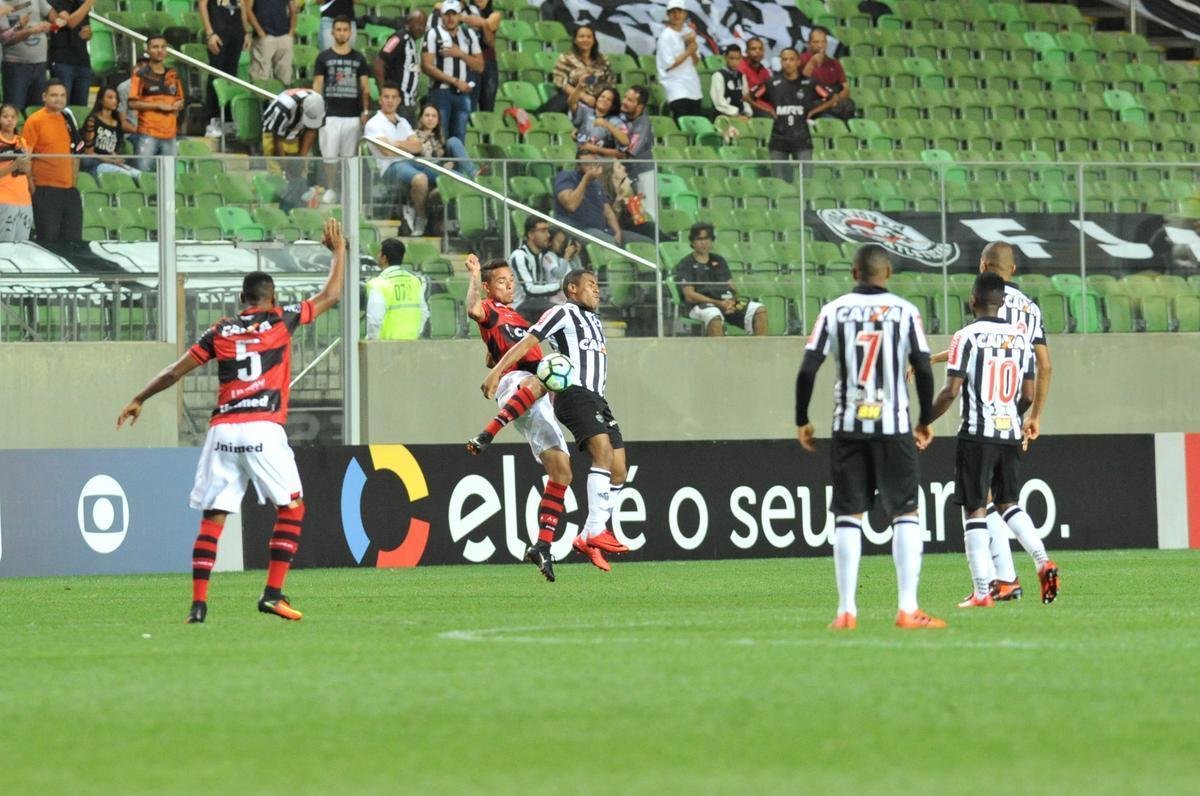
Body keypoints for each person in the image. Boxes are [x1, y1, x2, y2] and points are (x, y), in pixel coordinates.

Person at [116, 218, 346, 624]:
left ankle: (198, 605)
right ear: (272, 298)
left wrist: (139, 398)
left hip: (223, 431)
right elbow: (331, 294)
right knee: (291, 509)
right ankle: (273, 593)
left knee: (213, 517)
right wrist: (339, 251)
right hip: (262, 427)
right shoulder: (281, 318)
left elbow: (174, 372)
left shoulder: (219, 329)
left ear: (242, 298)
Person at [795, 243, 944, 630]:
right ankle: (907, 608)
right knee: (906, 513)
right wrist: (926, 418)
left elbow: (808, 369)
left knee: (848, 514)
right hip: (893, 426)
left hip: (849, 426)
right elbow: (924, 370)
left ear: (854, 273)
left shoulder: (834, 310)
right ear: (888, 274)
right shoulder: (905, 311)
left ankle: (846, 610)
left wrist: (802, 419)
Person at [930, 242, 1058, 604]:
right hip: (1009, 419)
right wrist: (1031, 417)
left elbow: (970, 349)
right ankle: (1024, 570)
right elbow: (1043, 366)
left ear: (982, 267)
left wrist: (935, 361)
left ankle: (993, 583)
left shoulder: (971, 326)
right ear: (1013, 270)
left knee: (978, 504)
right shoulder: (1028, 313)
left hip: (979, 423)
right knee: (1007, 501)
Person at [481, 269, 631, 573]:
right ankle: (596, 531)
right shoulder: (562, 312)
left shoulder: (596, 321)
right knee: (601, 454)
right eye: (591, 285)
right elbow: (527, 343)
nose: (597, 291)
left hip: (598, 397)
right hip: (574, 392)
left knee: (618, 469)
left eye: (598, 286)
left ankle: (588, 534)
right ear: (572, 289)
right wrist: (497, 370)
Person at [463, 254, 572, 582]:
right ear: (487, 287)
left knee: (563, 472)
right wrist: (473, 275)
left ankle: (542, 545)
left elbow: (496, 349)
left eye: (512, 281)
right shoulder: (489, 310)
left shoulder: (520, 319)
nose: (509, 285)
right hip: (515, 383)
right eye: (501, 281)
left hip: (535, 397)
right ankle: (487, 434)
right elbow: (472, 309)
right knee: (536, 379)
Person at [313, 15, 370, 204]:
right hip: (329, 115)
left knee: (349, 158)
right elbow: (318, 85)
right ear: (332, 32)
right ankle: (331, 188)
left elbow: (365, 87)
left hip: (352, 116)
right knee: (329, 157)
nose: (342, 33)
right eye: (338, 29)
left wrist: (365, 111)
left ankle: (348, 189)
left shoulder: (359, 58)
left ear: (350, 32)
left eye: (345, 29)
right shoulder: (323, 57)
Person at [674, 222, 766, 336]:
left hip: (726, 303)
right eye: (699, 239)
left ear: (712, 240)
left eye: (707, 238)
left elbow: (733, 287)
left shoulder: (719, 260)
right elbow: (690, 296)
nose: (704, 242)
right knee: (714, 315)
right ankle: (720, 353)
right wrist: (718, 303)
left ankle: (759, 350)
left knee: (759, 309)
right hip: (703, 305)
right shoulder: (685, 264)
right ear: (692, 241)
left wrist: (731, 302)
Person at [22, 80, 83, 243]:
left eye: (62, 95)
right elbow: (25, 158)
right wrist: (34, 189)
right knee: (48, 241)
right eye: (54, 95)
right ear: (44, 96)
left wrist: (73, 184)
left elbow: (76, 153)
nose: (59, 99)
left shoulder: (68, 119)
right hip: (45, 190)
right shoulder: (35, 121)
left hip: (69, 191)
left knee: (73, 241)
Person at [362, 82, 427, 234]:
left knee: (444, 176)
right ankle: (421, 217)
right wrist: (406, 145)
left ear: (399, 100)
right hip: (389, 167)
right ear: (380, 100)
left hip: (411, 162)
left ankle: (415, 207)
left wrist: (395, 143)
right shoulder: (374, 124)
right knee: (420, 179)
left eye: (394, 97)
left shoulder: (403, 122)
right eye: (386, 97)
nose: (390, 100)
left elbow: (418, 147)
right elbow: (388, 152)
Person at [553, 151, 652, 247]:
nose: (592, 167)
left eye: (594, 163)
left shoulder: (596, 184)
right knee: (610, 244)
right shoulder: (567, 176)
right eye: (587, 164)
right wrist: (586, 179)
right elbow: (571, 205)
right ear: (578, 166)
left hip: (604, 231)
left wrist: (617, 232)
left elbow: (608, 212)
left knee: (647, 244)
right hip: (580, 231)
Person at [420, 0, 481, 147]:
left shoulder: (469, 34)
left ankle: (457, 170)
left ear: (460, 16)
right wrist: (454, 81)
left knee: (459, 139)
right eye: (447, 14)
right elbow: (426, 66)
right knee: (439, 135)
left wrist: (460, 54)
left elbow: (480, 66)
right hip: (440, 92)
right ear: (442, 16)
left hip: (462, 94)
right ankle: (438, 168)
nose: (450, 18)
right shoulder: (433, 34)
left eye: (454, 14)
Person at [128, 34, 184, 173]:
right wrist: (158, 106)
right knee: (143, 175)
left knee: (169, 177)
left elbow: (180, 99)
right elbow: (132, 103)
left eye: (163, 47)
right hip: (148, 133)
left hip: (170, 134)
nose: (159, 50)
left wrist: (178, 104)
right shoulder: (140, 75)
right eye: (155, 47)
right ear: (147, 50)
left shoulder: (173, 75)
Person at [765, 47, 816, 181]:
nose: (788, 63)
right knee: (779, 183)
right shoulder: (771, 83)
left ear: (798, 62)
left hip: (802, 140)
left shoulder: (809, 83)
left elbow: (831, 98)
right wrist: (769, 109)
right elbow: (751, 97)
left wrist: (812, 112)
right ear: (781, 62)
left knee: (806, 182)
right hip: (778, 140)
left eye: (791, 59)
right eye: (784, 59)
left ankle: (805, 202)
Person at [199, 0, 250, 135]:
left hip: (236, 31)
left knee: (231, 76)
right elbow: (202, 4)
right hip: (218, 30)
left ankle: (227, 119)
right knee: (216, 74)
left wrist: (246, 32)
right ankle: (212, 120)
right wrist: (209, 33)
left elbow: (242, 5)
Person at [364, 237, 429, 339]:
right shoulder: (415, 281)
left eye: (379, 253)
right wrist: (415, 334)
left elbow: (375, 320)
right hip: (411, 345)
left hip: (385, 347)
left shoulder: (379, 284)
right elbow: (424, 312)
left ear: (384, 258)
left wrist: (373, 343)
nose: (377, 255)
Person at [543, 24, 614, 115]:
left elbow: (610, 84)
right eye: (581, 37)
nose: (585, 39)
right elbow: (560, 82)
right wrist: (583, 96)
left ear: (594, 41)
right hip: (573, 99)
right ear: (575, 40)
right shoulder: (566, 58)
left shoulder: (603, 60)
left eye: (589, 37)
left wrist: (600, 100)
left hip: (597, 102)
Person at [2, 1, 59, 111]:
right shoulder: (2, 4)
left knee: (38, 111)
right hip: (16, 66)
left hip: (40, 64)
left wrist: (57, 21)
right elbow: (5, 39)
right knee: (14, 111)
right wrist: (31, 30)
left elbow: (52, 14)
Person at [372, 8, 425, 124]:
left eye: (423, 24)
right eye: (418, 23)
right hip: (398, 104)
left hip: (409, 103)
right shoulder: (399, 38)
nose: (421, 27)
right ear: (408, 22)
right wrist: (384, 92)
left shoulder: (412, 41)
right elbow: (378, 63)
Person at [507, 214, 558, 323]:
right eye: (543, 231)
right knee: (559, 311)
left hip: (534, 305)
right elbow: (529, 290)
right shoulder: (519, 256)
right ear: (531, 234)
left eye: (547, 231)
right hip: (518, 307)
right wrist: (560, 286)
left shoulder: (540, 256)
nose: (548, 235)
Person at [81, 85, 140, 179]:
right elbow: (89, 152)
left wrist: (117, 159)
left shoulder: (117, 123)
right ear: (101, 100)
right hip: (95, 162)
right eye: (110, 97)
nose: (114, 101)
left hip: (110, 162)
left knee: (138, 174)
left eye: (116, 98)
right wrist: (111, 161)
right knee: (127, 176)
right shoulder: (92, 120)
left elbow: (113, 150)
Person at [656, 0, 702, 120]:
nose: (677, 15)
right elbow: (669, 63)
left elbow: (696, 61)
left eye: (680, 12)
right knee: (682, 123)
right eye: (673, 12)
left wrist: (691, 47)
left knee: (695, 123)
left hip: (692, 87)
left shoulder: (688, 32)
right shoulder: (665, 36)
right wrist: (688, 51)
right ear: (668, 15)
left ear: (685, 14)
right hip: (675, 87)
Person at [799, 25, 854, 121]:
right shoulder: (800, 60)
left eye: (823, 42)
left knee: (848, 104)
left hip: (833, 104)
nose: (820, 45)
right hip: (813, 103)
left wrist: (836, 99)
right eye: (816, 42)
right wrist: (812, 63)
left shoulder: (835, 63)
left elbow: (846, 90)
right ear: (809, 44)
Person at [615, 85, 654, 216]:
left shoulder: (643, 125)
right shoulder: (620, 117)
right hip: (626, 173)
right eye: (625, 97)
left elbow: (628, 153)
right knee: (627, 213)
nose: (624, 102)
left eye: (630, 100)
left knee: (644, 213)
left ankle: (647, 234)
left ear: (640, 107)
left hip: (642, 175)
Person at [48, 0, 95, 107]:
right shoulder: (55, 2)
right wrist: (89, 3)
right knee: (61, 107)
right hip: (62, 61)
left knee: (81, 109)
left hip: (82, 61)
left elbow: (86, 29)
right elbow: (70, 22)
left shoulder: (81, 3)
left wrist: (89, 33)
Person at [0, 104, 34, 242]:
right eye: (5, 116)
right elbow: (15, 166)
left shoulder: (22, 141)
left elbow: (27, 169)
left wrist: (27, 169)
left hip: (24, 200)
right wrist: (14, 166)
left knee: (21, 246)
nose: (9, 120)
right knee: (5, 246)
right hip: (5, 198)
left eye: (13, 117)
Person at [459, 0, 499, 112]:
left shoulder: (494, 15)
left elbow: (490, 42)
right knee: (469, 102)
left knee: (488, 103)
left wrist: (483, 24)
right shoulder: (465, 10)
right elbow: (439, 6)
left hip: (488, 61)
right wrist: (464, 18)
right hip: (470, 61)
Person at [569, 83, 627, 160]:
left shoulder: (616, 122)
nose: (604, 100)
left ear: (613, 106)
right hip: (582, 163)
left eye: (609, 99)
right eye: (602, 96)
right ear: (597, 99)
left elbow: (621, 153)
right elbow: (571, 103)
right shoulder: (586, 112)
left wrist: (595, 149)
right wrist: (579, 87)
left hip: (605, 165)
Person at [246, 0, 296, 84]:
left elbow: (293, 8)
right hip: (264, 37)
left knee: (285, 79)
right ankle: (259, 97)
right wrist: (260, 33)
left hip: (284, 36)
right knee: (260, 79)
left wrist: (291, 32)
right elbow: (247, 9)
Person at [710, 43, 751, 121]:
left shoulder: (742, 76)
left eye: (738, 58)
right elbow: (719, 102)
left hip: (741, 116)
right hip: (722, 116)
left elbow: (745, 99)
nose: (735, 62)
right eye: (731, 58)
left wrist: (747, 113)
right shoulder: (718, 76)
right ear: (725, 57)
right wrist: (736, 113)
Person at [117, 51, 148, 154]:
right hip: (133, 133)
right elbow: (122, 123)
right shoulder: (124, 88)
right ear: (135, 69)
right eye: (140, 65)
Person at [738, 36, 773, 117]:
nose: (757, 51)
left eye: (760, 49)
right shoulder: (741, 68)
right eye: (753, 49)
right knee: (769, 115)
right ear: (746, 51)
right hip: (746, 105)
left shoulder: (763, 70)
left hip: (760, 101)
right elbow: (745, 97)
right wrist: (767, 110)